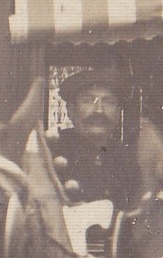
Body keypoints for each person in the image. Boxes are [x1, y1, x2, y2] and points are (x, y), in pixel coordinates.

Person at [51, 66, 139, 212]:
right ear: (71, 110)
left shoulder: (129, 158)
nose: (99, 110)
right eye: (88, 100)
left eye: (108, 101)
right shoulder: (54, 151)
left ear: (118, 113)